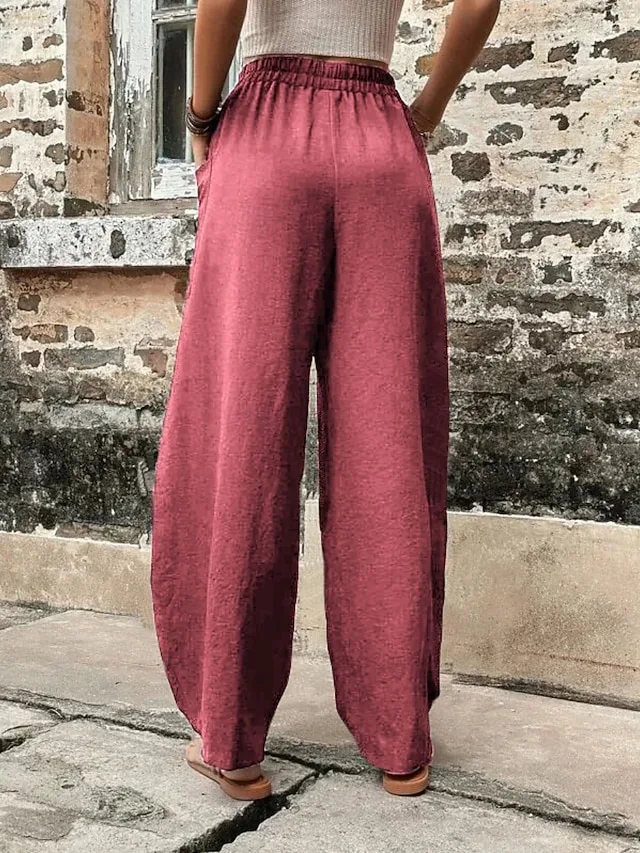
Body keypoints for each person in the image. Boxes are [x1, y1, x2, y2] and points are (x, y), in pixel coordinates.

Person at [150, 0, 501, 801]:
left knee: (241, 431)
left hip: (265, 139)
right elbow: (480, 2)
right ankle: (400, 741)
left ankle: (231, 740)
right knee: (389, 441)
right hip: (382, 139)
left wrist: (200, 116)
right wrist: (421, 114)